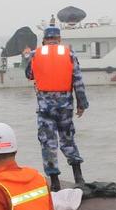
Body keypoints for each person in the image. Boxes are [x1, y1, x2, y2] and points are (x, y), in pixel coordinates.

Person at [23, 23, 88, 191]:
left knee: (48, 142)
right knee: (68, 139)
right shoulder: (69, 54)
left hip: (45, 107)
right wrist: (82, 104)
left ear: (44, 41)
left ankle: (55, 183)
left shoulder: (35, 54)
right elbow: (78, 81)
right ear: (59, 40)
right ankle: (78, 177)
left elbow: (29, 75)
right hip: (65, 106)